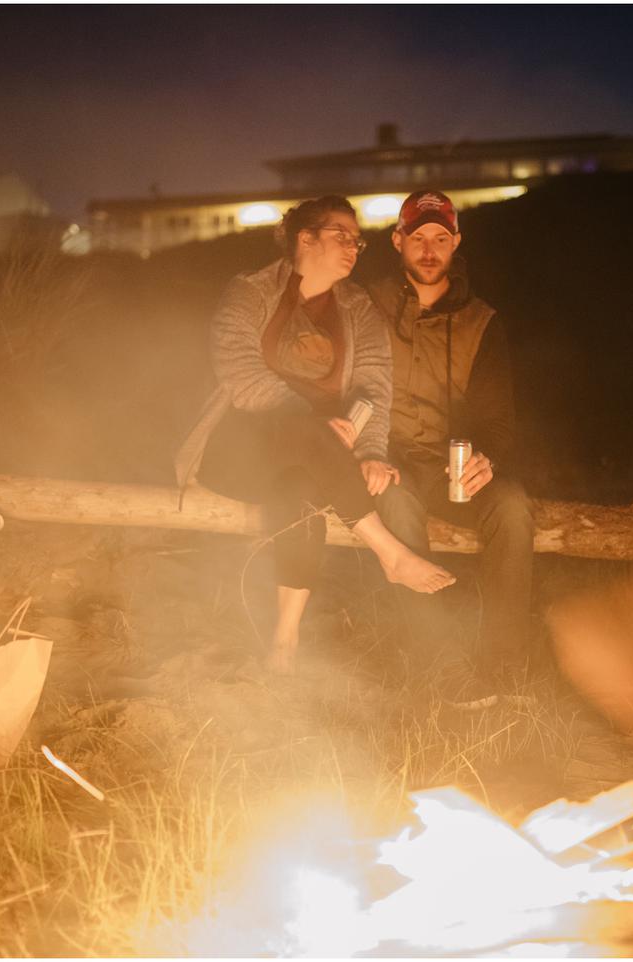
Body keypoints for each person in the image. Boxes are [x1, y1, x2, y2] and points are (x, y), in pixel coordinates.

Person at [174, 195, 455, 673]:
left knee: (299, 489)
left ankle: (284, 643)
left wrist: (370, 451)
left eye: (357, 241)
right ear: (306, 238)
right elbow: (239, 370)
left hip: (322, 460)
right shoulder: (250, 292)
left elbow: (375, 387)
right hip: (239, 451)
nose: (353, 248)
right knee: (299, 434)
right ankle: (390, 553)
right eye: (341, 236)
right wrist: (309, 420)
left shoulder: (358, 308)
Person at [367, 190, 535, 694]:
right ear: (397, 240)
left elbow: (498, 420)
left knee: (511, 507)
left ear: (456, 242)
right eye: (418, 237)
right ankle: (441, 662)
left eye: (440, 238)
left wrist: (487, 458)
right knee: (397, 510)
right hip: (391, 464)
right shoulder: (367, 307)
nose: (428, 250)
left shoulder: (480, 322)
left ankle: (505, 663)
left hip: (450, 472)